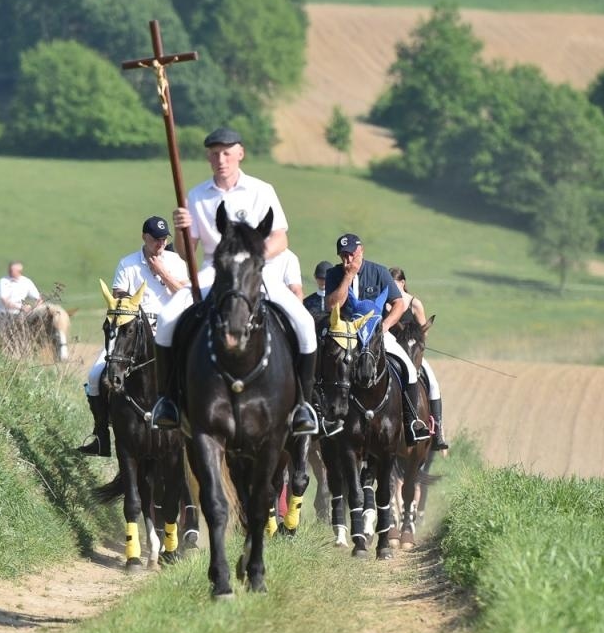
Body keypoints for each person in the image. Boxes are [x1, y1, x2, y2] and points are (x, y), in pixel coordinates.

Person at [149, 127, 320, 435]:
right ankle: (169, 401)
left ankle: (303, 406)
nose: (221, 159)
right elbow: (190, 253)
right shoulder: (197, 196)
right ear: (208, 157)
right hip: (213, 270)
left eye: (227, 153)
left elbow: (281, 237)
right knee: (166, 318)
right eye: (215, 154)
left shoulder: (261, 190)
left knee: (305, 324)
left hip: (257, 271)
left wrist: (252, 258)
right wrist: (182, 229)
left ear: (240, 153)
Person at [78, 217, 190, 457]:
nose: (160, 243)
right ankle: (101, 436)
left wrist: (162, 272)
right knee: (95, 374)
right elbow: (118, 294)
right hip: (131, 334)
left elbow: (185, 293)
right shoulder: (128, 264)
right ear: (144, 237)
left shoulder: (176, 261)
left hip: (168, 333)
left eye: (164, 239)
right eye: (155, 239)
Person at [324, 233, 431, 443]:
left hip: (377, 334)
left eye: (351, 253)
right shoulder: (334, 274)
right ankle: (324, 417)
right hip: (346, 334)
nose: (348, 259)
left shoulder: (379, 272)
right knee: (325, 364)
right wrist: (347, 276)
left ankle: (412, 422)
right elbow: (331, 305)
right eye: (343, 255)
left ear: (361, 250)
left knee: (408, 369)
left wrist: (385, 325)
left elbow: (399, 303)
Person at [389, 266, 449, 452]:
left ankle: (437, 431)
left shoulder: (414, 303)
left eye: (395, 284)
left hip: (412, 351)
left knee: (432, 382)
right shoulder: (385, 303)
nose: (392, 287)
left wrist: (414, 343)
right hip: (391, 349)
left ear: (403, 283)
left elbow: (424, 331)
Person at [0, 260, 68, 361]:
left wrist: (35, 308)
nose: (10, 272)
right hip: (4, 315)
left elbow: (39, 299)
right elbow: (4, 300)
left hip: (21, 316)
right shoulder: (3, 281)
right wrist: (21, 307)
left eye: (13, 270)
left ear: (20, 271)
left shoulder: (26, 282)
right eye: (10, 269)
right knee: (2, 340)